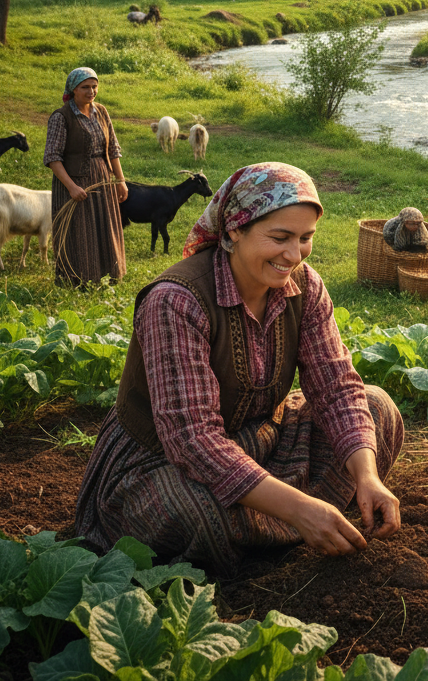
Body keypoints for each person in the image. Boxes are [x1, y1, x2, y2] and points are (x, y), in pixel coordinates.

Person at [75, 162, 404, 577]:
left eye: (305, 238)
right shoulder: (176, 301)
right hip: (163, 461)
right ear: (234, 230)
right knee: (192, 511)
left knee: (376, 409)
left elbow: (336, 386)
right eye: (280, 238)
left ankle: (280, 524)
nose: (294, 255)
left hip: (261, 437)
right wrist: (298, 507)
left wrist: (367, 477)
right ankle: (296, 521)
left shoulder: (305, 286)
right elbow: (193, 439)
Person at [44, 67, 128, 285]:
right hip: (75, 181)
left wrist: (120, 181)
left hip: (102, 178)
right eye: (85, 87)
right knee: (80, 230)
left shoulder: (101, 112)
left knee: (104, 226)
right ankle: (78, 279)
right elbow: (53, 158)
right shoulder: (61, 117)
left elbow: (113, 149)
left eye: (94, 86)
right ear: (73, 89)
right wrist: (71, 187)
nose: (91, 91)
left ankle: (108, 275)